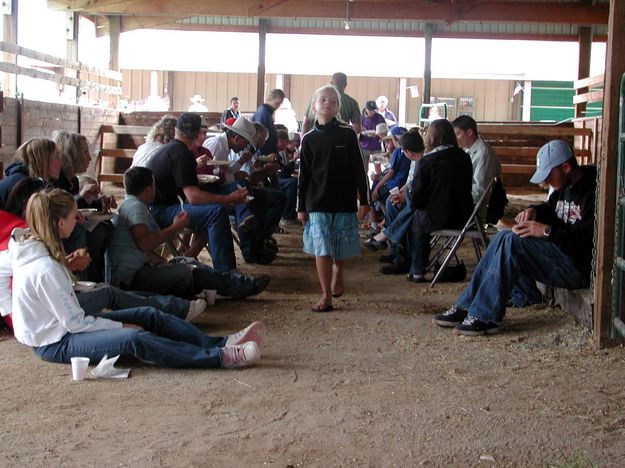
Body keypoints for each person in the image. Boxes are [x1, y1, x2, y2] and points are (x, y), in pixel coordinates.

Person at [2, 188, 262, 369]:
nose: (79, 219)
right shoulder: (42, 265)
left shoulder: (32, 248)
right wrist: (120, 328)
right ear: (60, 224)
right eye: (74, 216)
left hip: (59, 329)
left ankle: (221, 342)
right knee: (134, 339)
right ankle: (219, 357)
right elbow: (75, 323)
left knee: (148, 314)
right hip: (55, 342)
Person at [432, 140, 595, 335]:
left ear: (566, 167)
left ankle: (486, 316)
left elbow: (586, 244)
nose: (545, 183)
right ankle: (467, 305)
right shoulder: (564, 187)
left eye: (549, 176)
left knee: (512, 241)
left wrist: (546, 231)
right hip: (561, 256)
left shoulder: (593, 192)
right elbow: (551, 210)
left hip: (578, 267)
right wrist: (534, 211)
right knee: (503, 236)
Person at [106, 166, 271, 300]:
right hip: (131, 278)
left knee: (185, 262)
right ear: (149, 190)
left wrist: (165, 262)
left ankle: (238, 283)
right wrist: (176, 227)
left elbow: (145, 251)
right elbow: (145, 243)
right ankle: (243, 286)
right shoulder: (135, 207)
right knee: (190, 271)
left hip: (134, 272)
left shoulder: (130, 204)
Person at [147, 113, 251, 272]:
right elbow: (194, 197)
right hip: (162, 211)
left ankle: (187, 259)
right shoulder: (184, 154)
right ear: (197, 135)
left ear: (176, 130)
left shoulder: (170, 149)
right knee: (216, 213)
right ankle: (227, 274)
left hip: (153, 209)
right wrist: (229, 198)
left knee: (211, 210)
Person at [297, 85, 369, 312]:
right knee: (322, 248)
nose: (328, 103)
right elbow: (304, 176)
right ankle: (325, 294)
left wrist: (365, 200)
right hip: (316, 201)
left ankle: (339, 268)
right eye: (323, 100)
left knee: (338, 244)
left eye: (333, 101)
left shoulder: (348, 134)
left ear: (338, 107)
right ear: (314, 105)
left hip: (344, 200)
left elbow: (359, 169)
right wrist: (300, 207)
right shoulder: (308, 139)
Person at [406, 119, 473, 282]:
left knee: (416, 216)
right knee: (416, 212)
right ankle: (391, 236)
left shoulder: (426, 161)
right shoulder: (464, 158)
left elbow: (418, 199)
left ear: (431, 138)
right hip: (464, 216)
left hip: (437, 218)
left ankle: (417, 270)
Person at [452, 115, 507, 223]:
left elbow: (480, 191)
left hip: (475, 210)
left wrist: (456, 199)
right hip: (468, 204)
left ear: (469, 132)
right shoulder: (468, 150)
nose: (456, 138)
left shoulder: (484, 154)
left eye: (458, 134)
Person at [0, 138, 61, 207]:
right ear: (42, 159)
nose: (61, 161)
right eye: (56, 156)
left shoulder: (19, 177)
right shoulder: (28, 185)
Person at [252, 88, 285, 156]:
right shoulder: (263, 113)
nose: (277, 106)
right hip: (263, 154)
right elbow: (260, 137)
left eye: (279, 104)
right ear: (270, 99)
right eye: (276, 103)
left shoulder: (267, 113)